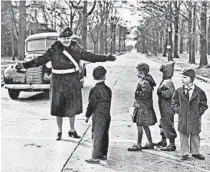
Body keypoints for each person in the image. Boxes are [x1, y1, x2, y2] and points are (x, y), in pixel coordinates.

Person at [15, 28, 116, 141]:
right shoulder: (54, 49)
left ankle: (72, 130)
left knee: (72, 107)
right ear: (59, 39)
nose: (67, 40)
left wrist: (106, 58)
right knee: (58, 107)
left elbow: (90, 56)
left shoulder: (75, 48)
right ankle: (59, 131)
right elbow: (40, 60)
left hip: (72, 80)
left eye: (68, 38)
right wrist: (24, 65)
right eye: (64, 38)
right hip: (58, 80)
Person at [172, 68, 208, 160]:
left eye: (185, 77)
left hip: (195, 118)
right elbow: (174, 102)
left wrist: (198, 112)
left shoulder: (199, 91)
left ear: (191, 79)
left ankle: (195, 152)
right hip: (183, 117)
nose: (182, 79)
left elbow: (204, 104)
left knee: (195, 135)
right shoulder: (178, 91)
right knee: (183, 135)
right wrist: (179, 110)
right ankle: (184, 153)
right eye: (182, 77)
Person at [85, 66, 112, 164]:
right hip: (107, 115)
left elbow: (91, 104)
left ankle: (95, 156)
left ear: (93, 76)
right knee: (104, 134)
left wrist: (87, 115)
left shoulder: (94, 89)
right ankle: (103, 154)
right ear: (104, 76)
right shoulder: (108, 89)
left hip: (98, 115)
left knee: (97, 135)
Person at [128, 63, 157, 151]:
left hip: (142, 107)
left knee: (139, 125)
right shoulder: (145, 80)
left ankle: (138, 145)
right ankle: (150, 143)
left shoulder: (145, 82)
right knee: (145, 126)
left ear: (142, 72)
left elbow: (145, 95)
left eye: (138, 72)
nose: (137, 74)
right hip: (144, 106)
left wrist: (137, 93)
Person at [154, 61, 177, 151]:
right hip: (164, 107)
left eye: (161, 72)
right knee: (163, 123)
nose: (160, 74)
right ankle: (163, 141)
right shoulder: (165, 81)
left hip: (167, 108)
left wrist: (160, 92)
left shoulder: (167, 82)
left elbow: (169, 94)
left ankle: (172, 144)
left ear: (166, 72)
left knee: (168, 124)